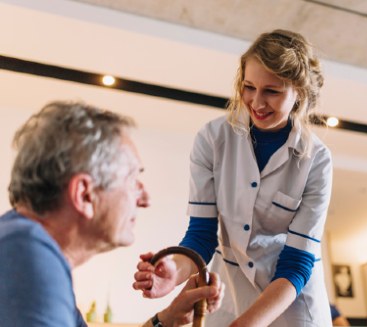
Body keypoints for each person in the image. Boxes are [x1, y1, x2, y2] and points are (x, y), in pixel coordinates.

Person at [133, 29, 333, 326]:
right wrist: (172, 273)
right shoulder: (212, 139)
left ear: (299, 94)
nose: (256, 102)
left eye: (272, 91)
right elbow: (201, 235)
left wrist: (248, 322)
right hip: (231, 288)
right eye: (249, 87)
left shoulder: (316, 159)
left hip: (291, 297)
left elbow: (297, 263)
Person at [0, 101, 223, 327]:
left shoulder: (23, 248)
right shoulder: (27, 260)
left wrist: (170, 318)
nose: (145, 199)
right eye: (133, 180)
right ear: (85, 194)